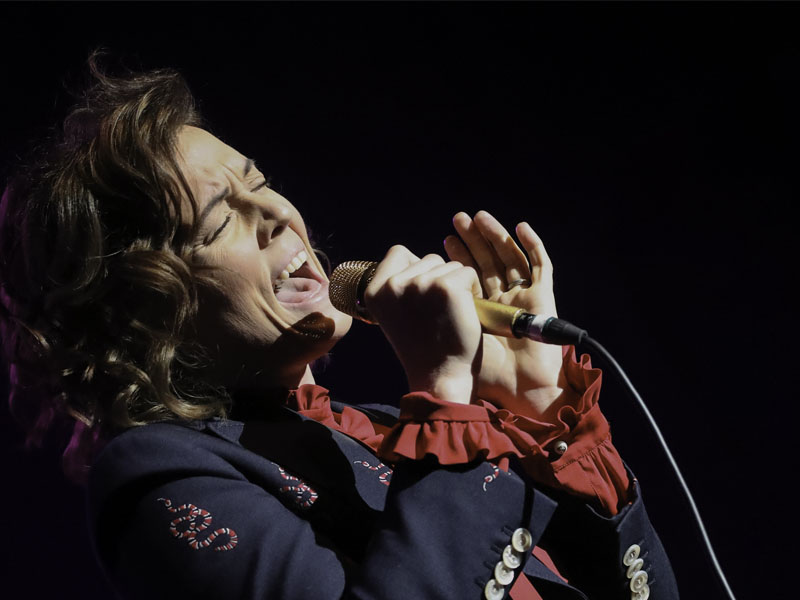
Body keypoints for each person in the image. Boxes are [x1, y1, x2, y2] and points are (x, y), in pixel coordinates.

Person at [0, 57, 678, 600]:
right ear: (150, 314)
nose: (273, 212)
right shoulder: (159, 478)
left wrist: (533, 404)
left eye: (258, 181)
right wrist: (447, 394)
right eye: (217, 220)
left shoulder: (384, 433)